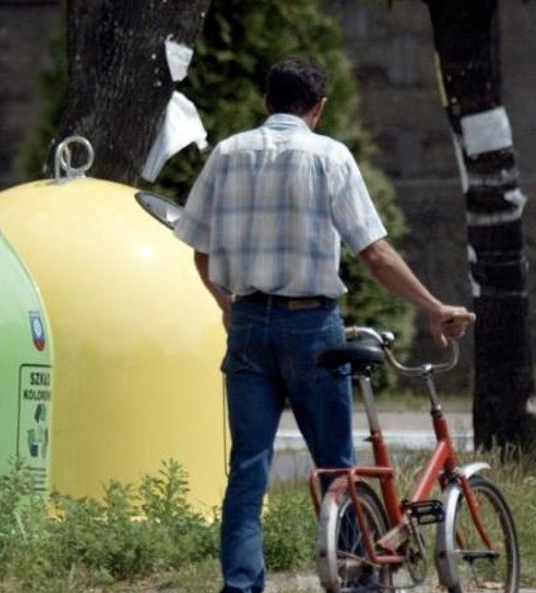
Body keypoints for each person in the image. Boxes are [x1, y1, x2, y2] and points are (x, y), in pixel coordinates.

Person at [172, 56, 472, 593]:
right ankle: (359, 580)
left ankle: (241, 586)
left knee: (248, 467)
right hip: (311, 326)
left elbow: (198, 250)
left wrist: (227, 306)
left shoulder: (227, 154)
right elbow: (375, 255)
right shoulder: (329, 156)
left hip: (246, 324)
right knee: (337, 466)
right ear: (320, 107)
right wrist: (432, 306)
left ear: (266, 102)